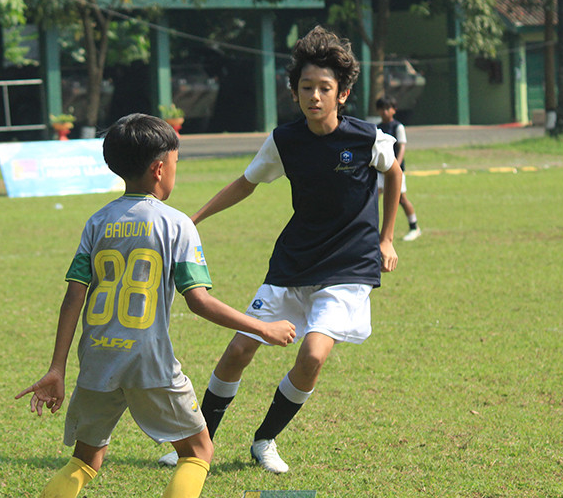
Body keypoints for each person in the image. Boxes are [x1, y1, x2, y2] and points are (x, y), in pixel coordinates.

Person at [0, 114, 296, 498]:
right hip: (150, 362)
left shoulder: (98, 222)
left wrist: (55, 368)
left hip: (97, 361)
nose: (177, 170)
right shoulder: (176, 224)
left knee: (85, 459)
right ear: (158, 168)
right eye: (176, 161)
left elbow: (74, 295)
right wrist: (263, 327)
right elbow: (200, 301)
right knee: (198, 450)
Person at [158, 25, 402, 474]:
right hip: (293, 261)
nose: (315, 96)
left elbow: (394, 175)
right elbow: (245, 183)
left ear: (342, 94)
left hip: (349, 267)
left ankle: (265, 440)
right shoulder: (284, 141)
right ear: (295, 92)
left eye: (324, 88)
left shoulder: (368, 139)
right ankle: (194, 446)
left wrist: (386, 237)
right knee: (238, 351)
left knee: (311, 355)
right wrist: (195, 218)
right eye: (306, 87)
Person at [375, 95, 421, 242]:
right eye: (382, 109)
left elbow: (401, 147)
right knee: (374, 198)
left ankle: (414, 227)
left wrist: (395, 166)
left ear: (394, 110)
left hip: (394, 171)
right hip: (380, 171)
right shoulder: (377, 128)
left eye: (388, 108)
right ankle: (373, 231)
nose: (385, 112)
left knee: (401, 198)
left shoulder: (398, 127)